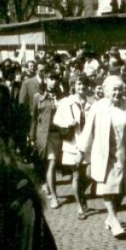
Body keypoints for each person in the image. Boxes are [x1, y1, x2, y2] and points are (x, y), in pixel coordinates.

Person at [77, 75, 126, 238]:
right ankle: (114, 219)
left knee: (121, 188)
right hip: (105, 153)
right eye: (114, 89)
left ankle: (111, 217)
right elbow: (88, 131)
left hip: (125, 153)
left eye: (120, 89)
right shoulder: (98, 107)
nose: (118, 92)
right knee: (107, 187)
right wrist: (81, 152)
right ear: (105, 91)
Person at [53, 74, 92, 219]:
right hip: (73, 143)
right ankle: (80, 206)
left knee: (90, 174)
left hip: (88, 144)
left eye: (84, 84)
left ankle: (80, 193)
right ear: (73, 85)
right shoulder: (66, 102)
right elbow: (56, 120)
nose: (81, 87)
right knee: (76, 174)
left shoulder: (91, 103)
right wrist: (68, 122)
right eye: (79, 84)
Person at [30, 69, 64, 209]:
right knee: (51, 163)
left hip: (59, 135)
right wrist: (31, 137)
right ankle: (54, 197)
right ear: (45, 80)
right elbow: (33, 119)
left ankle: (47, 185)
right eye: (50, 78)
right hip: (44, 135)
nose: (53, 81)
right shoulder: (38, 97)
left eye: (55, 79)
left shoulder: (62, 96)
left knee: (52, 164)